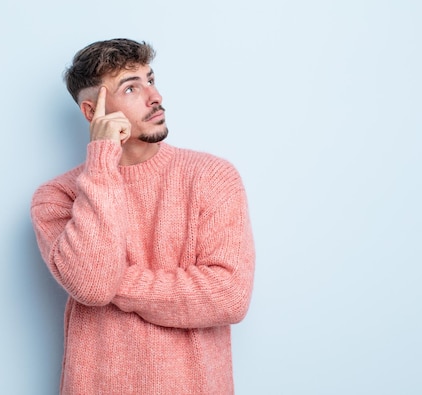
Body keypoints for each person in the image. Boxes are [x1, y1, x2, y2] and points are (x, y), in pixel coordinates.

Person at [31, 38, 255, 394]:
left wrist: (114, 280)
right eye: (131, 88)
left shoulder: (212, 176)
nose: (155, 96)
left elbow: (228, 296)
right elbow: (92, 285)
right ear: (92, 113)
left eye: (150, 80)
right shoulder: (57, 197)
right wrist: (102, 160)